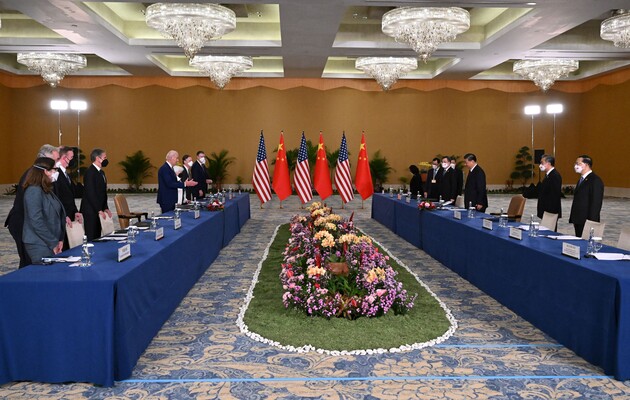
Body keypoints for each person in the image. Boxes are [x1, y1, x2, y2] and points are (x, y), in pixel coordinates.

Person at [5, 144, 60, 268]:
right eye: (55, 159)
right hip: (23, 223)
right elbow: (34, 215)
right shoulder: (32, 180)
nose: (57, 163)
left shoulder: (44, 179)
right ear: (44, 160)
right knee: (28, 263)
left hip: (33, 225)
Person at [22, 157, 66, 264]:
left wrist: (59, 239)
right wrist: (53, 242)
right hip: (39, 243)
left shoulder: (45, 189)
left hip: (50, 241)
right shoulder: (34, 190)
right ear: (46, 171)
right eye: (54, 169)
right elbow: (36, 221)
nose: (56, 172)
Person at [53, 146, 83, 250]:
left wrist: (75, 211)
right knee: (63, 246)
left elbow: (70, 196)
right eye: (71, 157)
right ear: (64, 157)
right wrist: (64, 215)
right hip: (62, 217)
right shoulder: (55, 174)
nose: (72, 160)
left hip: (70, 215)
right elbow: (57, 198)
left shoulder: (66, 174)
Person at [80, 148, 112, 241]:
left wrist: (105, 207)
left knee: (97, 235)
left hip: (99, 210)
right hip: (90, 210)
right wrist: (98, 209)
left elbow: (103, 192)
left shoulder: (101, 172)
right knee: (91, 236)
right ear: (98, 158)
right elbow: (90, 193)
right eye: (104, 157)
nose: (106, 159)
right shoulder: (90, 172)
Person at [569, 155, 604, 237]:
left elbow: (596, 203)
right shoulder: (581, 180)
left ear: (586, 165)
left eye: (578, 163)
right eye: (575, 163)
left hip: (587, 221)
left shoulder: (595, 180)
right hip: (578, 219)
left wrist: (591, 223)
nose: (576, 166)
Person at [536, 154, 562, 230]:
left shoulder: (554, 176)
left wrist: (550, 213)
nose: (540, 165)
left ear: (549, 163)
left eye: (542, 163)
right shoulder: (548, 175)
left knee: (550, 232)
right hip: (546, 211)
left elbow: (555, 195)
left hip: (550, 212)